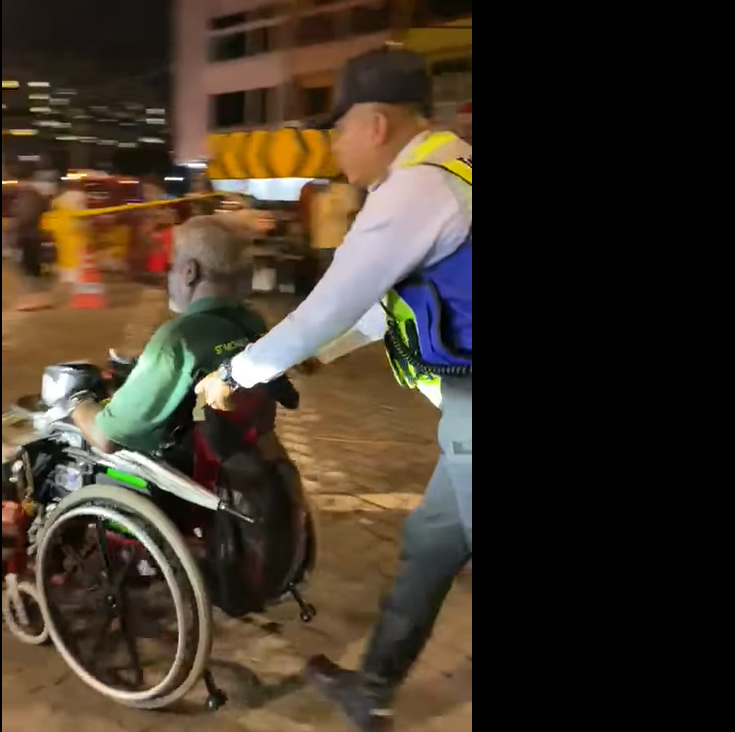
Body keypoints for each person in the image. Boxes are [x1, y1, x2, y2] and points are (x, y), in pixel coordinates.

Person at [196, 46, 472, 732]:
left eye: (339, 129)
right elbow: (383, 307)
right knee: (432, 542)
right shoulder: (453, 167)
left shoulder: (415, 190)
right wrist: (318, 358)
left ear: (375, 124)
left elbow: (325, 307)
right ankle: (372, 689)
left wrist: (235, 375)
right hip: (463, 412)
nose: (335, 146)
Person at [71, 216, 263, 455]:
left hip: (188, 464)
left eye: (171, 267)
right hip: (243, 457)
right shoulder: (252, 323)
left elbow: (107, 437)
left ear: (190, 272)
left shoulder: (178, 339)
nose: (168, 277)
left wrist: (75, 401)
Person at [10, 166, 53, 311]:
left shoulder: (27, 194)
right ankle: (40, 297)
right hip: (32, 235)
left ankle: (32, 298)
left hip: (27, 236)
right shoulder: (34, 194)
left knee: (27, 268)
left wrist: (13, 226)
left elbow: (25, 217)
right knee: (32, 268)